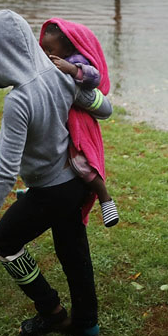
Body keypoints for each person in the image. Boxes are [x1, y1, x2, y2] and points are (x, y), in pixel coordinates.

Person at [0, 9, 113, 336]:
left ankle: (51, 311)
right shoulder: (59, 76)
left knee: (5, 241)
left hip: (51, 191)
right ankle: (86, 322)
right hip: (75, 183)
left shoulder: (18, 100)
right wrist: (80, 81)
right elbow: (105, 108)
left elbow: (5, 171)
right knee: (73, 250)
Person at [39, 18, 119, 227]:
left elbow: (94, 78)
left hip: (79, 121)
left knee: (81, 163)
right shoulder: (49, 63)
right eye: (44, 49)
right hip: (62, 121)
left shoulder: (77, 60)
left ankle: (105, 197)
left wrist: (73, 69)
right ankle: (35, 194)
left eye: (50, 49)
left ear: (66, 47)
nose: (47, 54)